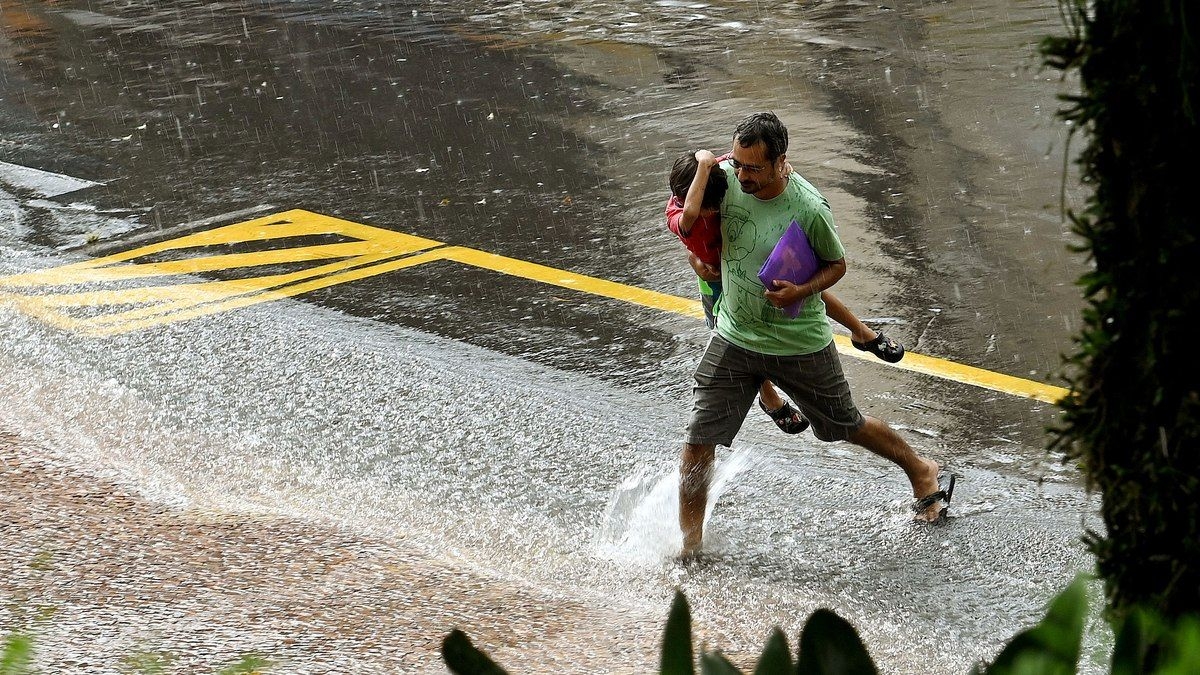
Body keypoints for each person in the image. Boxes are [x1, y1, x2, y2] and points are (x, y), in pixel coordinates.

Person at [678, 112, 953, 556]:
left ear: (780, 162)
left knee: (846, 425)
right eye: (738, 162)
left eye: (752, 168)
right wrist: (697, 262)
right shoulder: (723, 177)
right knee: (697, 444)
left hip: (797, 343)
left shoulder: (808, 207)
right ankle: (691, 548)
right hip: (733, 335)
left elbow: (837, 264)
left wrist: (801, 290)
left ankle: (922, 469)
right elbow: (682, 215)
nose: (741, 174)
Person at [665, 150, 906, 436]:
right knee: (737, 341)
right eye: (708, 208)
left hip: (746, 258)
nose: (715, 211)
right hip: (718, 280)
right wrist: (695, 260)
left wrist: (777, 166)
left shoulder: (714, 178)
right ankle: (770, 400)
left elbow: (738, 157)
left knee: (806, 290)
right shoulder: (679, 210)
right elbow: (690, 221)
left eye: (717, 204)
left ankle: (861, 333)